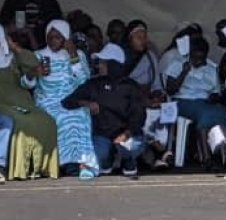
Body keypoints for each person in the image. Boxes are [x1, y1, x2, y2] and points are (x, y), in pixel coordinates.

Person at [62, 43, 145, 179]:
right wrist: (86, 103)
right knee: (99, 154)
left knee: (133, 146)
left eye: (103, 62)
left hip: (126, 134)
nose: (99, 65)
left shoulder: (130, 87)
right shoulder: (94, 84)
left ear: (114, 65)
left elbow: (139, 116)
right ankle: (107, 162)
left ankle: (128, 161)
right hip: (103, 135)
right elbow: (67, 102)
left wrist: (126, 134)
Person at [26, 20, 97, 178]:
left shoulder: (78, 55)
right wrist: (33, 73)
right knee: (63, 117)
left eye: (58, 37)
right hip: (47, 100)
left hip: (72, 100)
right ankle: (64, 164)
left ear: (66, 38)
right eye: (50, 37)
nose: (53, 41)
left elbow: (85, 83)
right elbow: (25, 83)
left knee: (81, 115)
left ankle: (82, 163)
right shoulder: (38, 55)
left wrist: (73, 56)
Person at [0, 25, 57, 180]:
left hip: (22, 100)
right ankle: (18, 168)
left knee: (46, 120)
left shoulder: (12, 58)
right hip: (3, 103)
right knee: (21, 122)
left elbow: (33, 64)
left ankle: (39, 168)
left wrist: (15, 48)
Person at [163, 37, 226, 165]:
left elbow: (216, 92)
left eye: (201, 59)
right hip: (183, 101)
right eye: (195, 58)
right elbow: (170, 90)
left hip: (205, 102)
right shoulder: (177, 64)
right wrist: (183, 73)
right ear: (189, 54)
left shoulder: (211, 68)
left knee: (224, 112)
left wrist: (214, 97)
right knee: (205, 113)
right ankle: (206, 157)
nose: (198, 62)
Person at [123, 22, 171, 169]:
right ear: (129, 39)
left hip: (147, 96)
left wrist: (158, 95)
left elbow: (156, 83)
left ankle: (157, 150)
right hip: (128, 98)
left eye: (144, 37)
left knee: (162, 110)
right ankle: (158, 151)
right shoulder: (122, 57)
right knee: (143, 112)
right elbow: (122, 86)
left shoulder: (150, 56)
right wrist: (144, 100)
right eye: (138, 37)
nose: (143, 41)